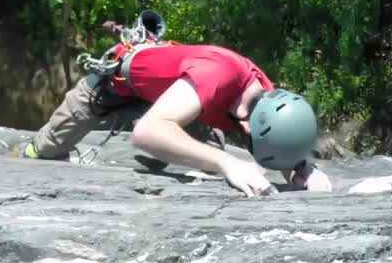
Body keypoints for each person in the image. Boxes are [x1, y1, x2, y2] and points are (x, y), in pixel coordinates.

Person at [20, 11, 332, 197]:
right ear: (250, 124)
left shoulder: (264, 97)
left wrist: (299, 168)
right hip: (108, 90)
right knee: (43, 151)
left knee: (201, 154)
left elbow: (274, 138)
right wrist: (227, 163)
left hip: (171, 97)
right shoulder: (216, 78)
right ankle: (30, 149)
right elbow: (147, 132)